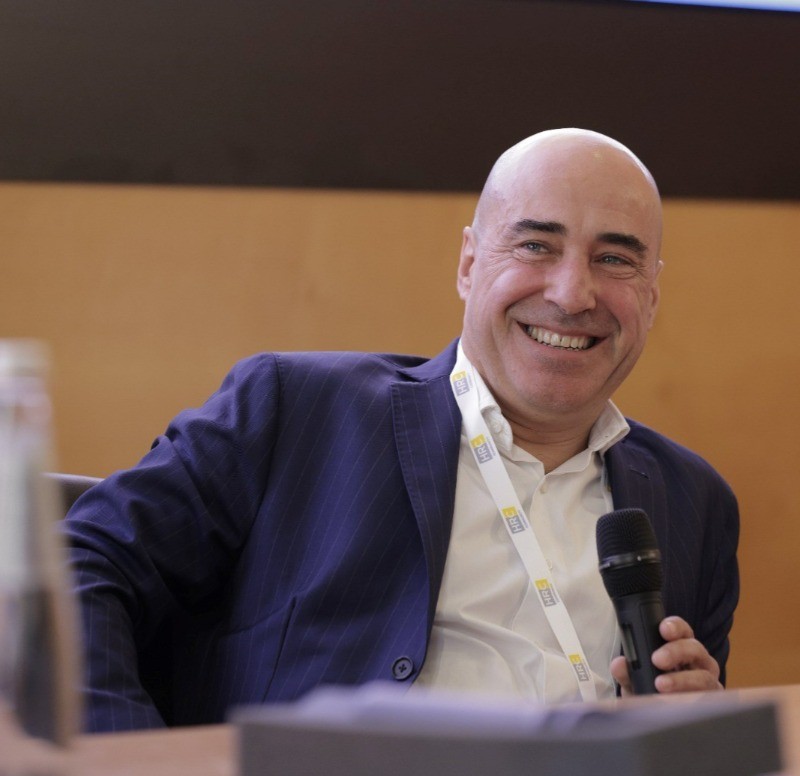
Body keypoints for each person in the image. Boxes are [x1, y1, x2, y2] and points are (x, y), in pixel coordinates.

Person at [65, 128, 739, 732]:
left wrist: (698, 727)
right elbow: (78, 564)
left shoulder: (695, 501)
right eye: (536, 245)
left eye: (614, 259)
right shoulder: (294, 410)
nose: (571, 293)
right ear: (469, 264)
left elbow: (683, 743)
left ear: (652, 294)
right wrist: (135, 773)